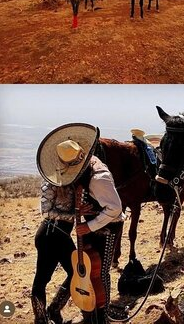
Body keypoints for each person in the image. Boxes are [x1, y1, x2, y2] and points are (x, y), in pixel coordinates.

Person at [34, 124, 125, 324]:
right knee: (79, 272)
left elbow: (115, 209)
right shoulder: (63, 179)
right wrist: (77, 214)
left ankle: (99, 315)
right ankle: (55, 314)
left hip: (104, 227)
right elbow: (47, 210)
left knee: (96, 272)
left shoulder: (98, 177)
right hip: (69, 229)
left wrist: (85, 222)